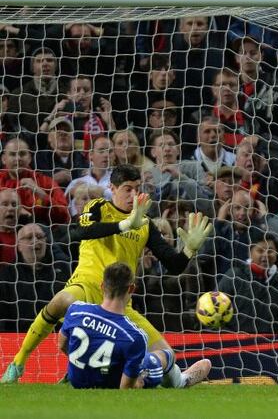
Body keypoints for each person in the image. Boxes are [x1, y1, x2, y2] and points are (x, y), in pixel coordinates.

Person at [1, 164, 213, 385]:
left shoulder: (145, 225)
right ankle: (17, 364)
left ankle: (179, 380)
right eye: (127, 189)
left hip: (121, 303)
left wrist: (189, 249)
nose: (133, 195)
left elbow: (174, 264)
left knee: (166, 354)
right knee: (63, 299)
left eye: (137, 189)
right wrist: (123, 225)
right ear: (112, 187)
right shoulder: (97, 207)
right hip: (87, 287)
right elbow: (81, 232)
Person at [58, 262, 211, 389]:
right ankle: (182, 380)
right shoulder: (135, 335)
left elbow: (62, 344)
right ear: (131, 289)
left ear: (102, 286)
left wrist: (82, 364)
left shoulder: (75, 310)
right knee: (165, 354)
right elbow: (126, 389)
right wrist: (140, 380)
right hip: (113, 383)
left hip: (78, 381)